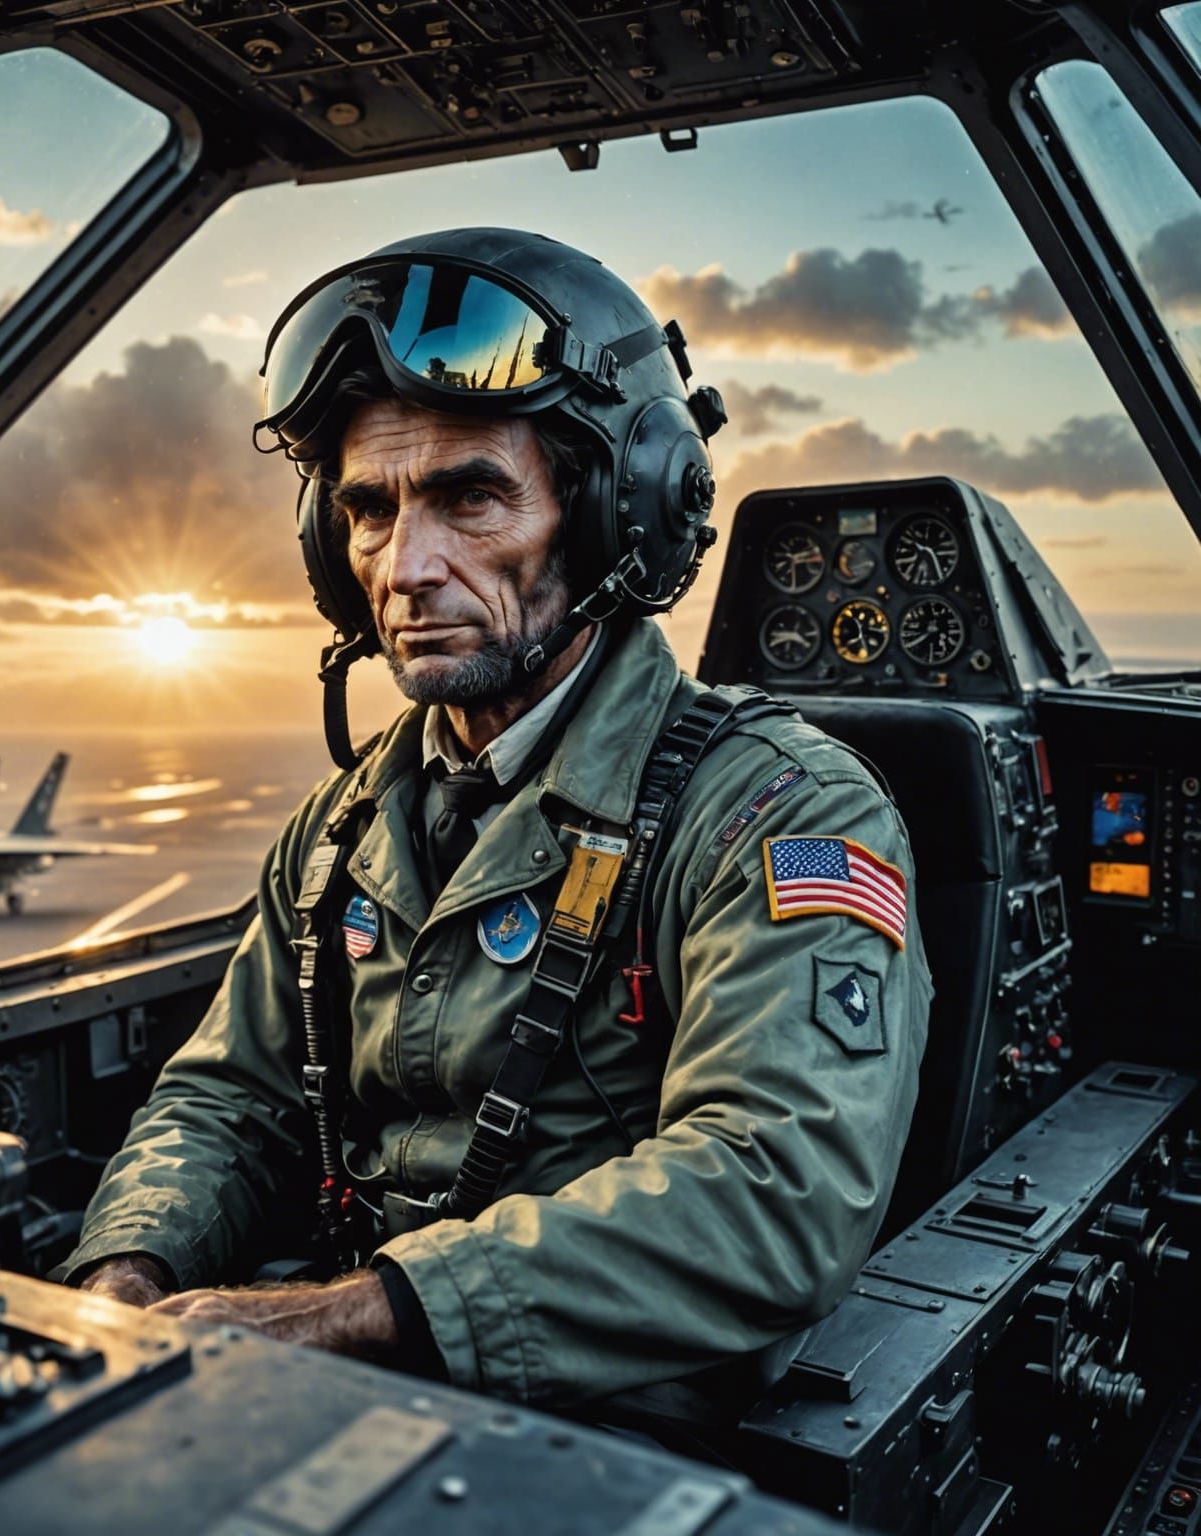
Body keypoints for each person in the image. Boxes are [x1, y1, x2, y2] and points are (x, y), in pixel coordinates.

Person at [52, 229, 932, 1422]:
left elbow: (775, 1191)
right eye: (368, 510)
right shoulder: (339, 826)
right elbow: (229, 1099)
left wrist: (351, 1318)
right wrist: (125, 1281)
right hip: (342, 1376)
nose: (406, 565)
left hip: (604, 1431)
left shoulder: (780, 811)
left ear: (617, 513)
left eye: (469, 497)